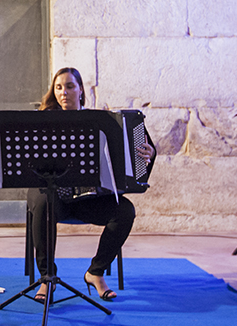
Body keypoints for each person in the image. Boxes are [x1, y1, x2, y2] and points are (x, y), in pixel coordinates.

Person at [28, 67, 156, 303]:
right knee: (43, 202)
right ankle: (47, 278)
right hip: (55, 197)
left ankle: (95, 272)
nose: (63, 92)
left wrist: (149, 153)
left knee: (125, 211)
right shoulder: (43, 121)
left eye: (69, 86)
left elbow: (130, 152)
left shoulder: (101, 121)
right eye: (58, 87)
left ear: (80, 90)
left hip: (89, 199)